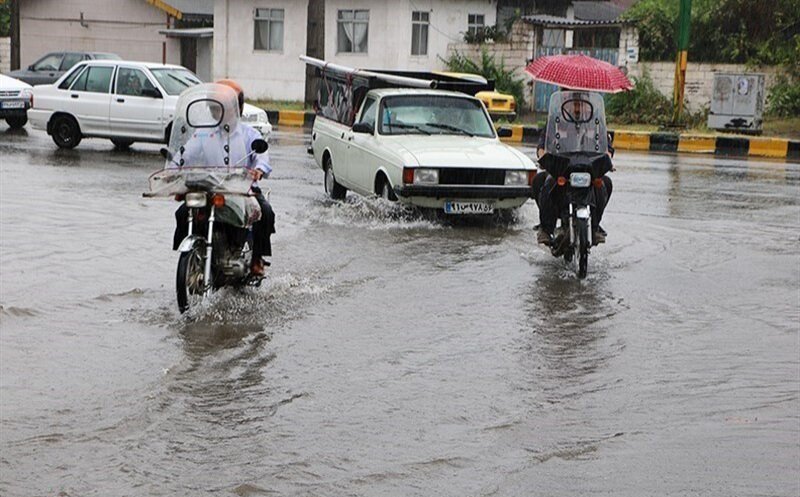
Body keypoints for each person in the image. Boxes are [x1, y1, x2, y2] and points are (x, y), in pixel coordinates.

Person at [172, 80, 275, 277]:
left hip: (242, 190)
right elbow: (185, 154)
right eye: (213, 108)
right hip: (211, 188)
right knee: (182, 213)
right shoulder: (203, 134)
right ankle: (190, 256)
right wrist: (174, 168)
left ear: (236, 108)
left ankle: (256, 260)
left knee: (266, 212)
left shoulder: (249, 134)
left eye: (220, 108)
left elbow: (262, 158)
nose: (215, 113)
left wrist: (259, 170)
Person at [532, 91, 614, 246]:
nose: (577, 107)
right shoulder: (556, 121)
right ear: (565, 102)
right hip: (562, 167)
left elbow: (607, 147)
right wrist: (543, 157)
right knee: (544, 182)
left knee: (605, 184)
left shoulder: (596, 122)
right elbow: (542, 144)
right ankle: (546, 228)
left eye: (580, 103)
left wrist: (608, 158)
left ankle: (595, 227)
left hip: (588, 168)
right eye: (574, 103)